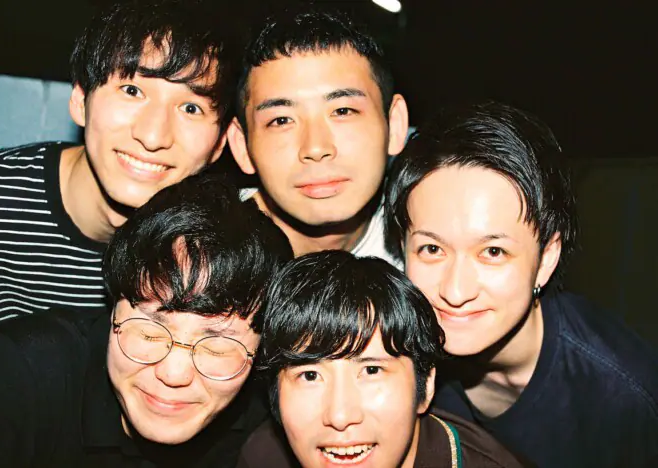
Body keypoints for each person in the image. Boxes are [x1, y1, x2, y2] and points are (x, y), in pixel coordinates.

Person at [383, 101, 658, 467]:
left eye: (493, 252)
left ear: (546, 259)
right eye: (432, 249)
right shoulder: (389, 354)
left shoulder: (623, 399)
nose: (455, 291)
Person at [0, 173, 293, 467]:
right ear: (113, 309)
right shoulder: (18, 375)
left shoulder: (271, 428)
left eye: (216, 347)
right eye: (150, 332)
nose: (174, 374)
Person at [0, 0, 239, 336]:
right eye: (132, 90)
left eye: (190, 108)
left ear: (220, 143)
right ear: (80, 100)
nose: (153, 136)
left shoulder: (215, 252)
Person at [237, 251, 525, 468]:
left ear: (425, 386)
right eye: (310, 375)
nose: (340, 416)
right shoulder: (263, 456)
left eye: (372, 370)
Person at [227, 7, 408, 265]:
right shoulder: (192, 261)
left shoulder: (432, 255)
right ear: (242, 146)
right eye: (281, 120)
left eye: (343, 111)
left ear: (395, 125)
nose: (315, 148)